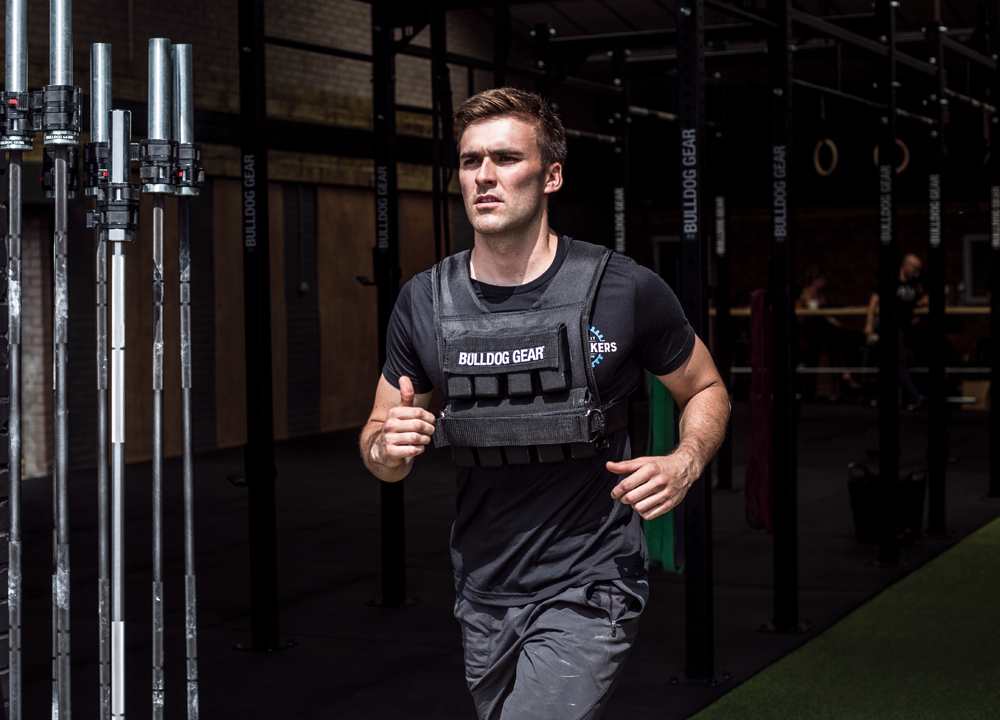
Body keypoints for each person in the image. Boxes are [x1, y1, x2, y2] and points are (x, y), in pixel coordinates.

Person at [359, 87, 730, 720]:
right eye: (472, 160)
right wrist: (386, 447)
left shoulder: (624, 288)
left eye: (505, 158)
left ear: (551, 175)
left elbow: (705, 387)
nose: (484, 176)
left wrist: (684, 462)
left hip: (591, 579)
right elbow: (379, 447)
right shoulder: (424, 302)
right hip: (483, 586)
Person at [863, 253, 928, 409]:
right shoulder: (891, 281)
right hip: (889, 326)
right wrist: (869, 324)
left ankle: (878, 396)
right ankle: (914, 396)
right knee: (899, 362)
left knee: (889, 363)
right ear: (905, 267)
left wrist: (922, 302)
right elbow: (873, 301)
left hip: (904, 328)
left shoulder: (914, 284)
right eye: (915, 269)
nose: (917, 273)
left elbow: (911, 303)